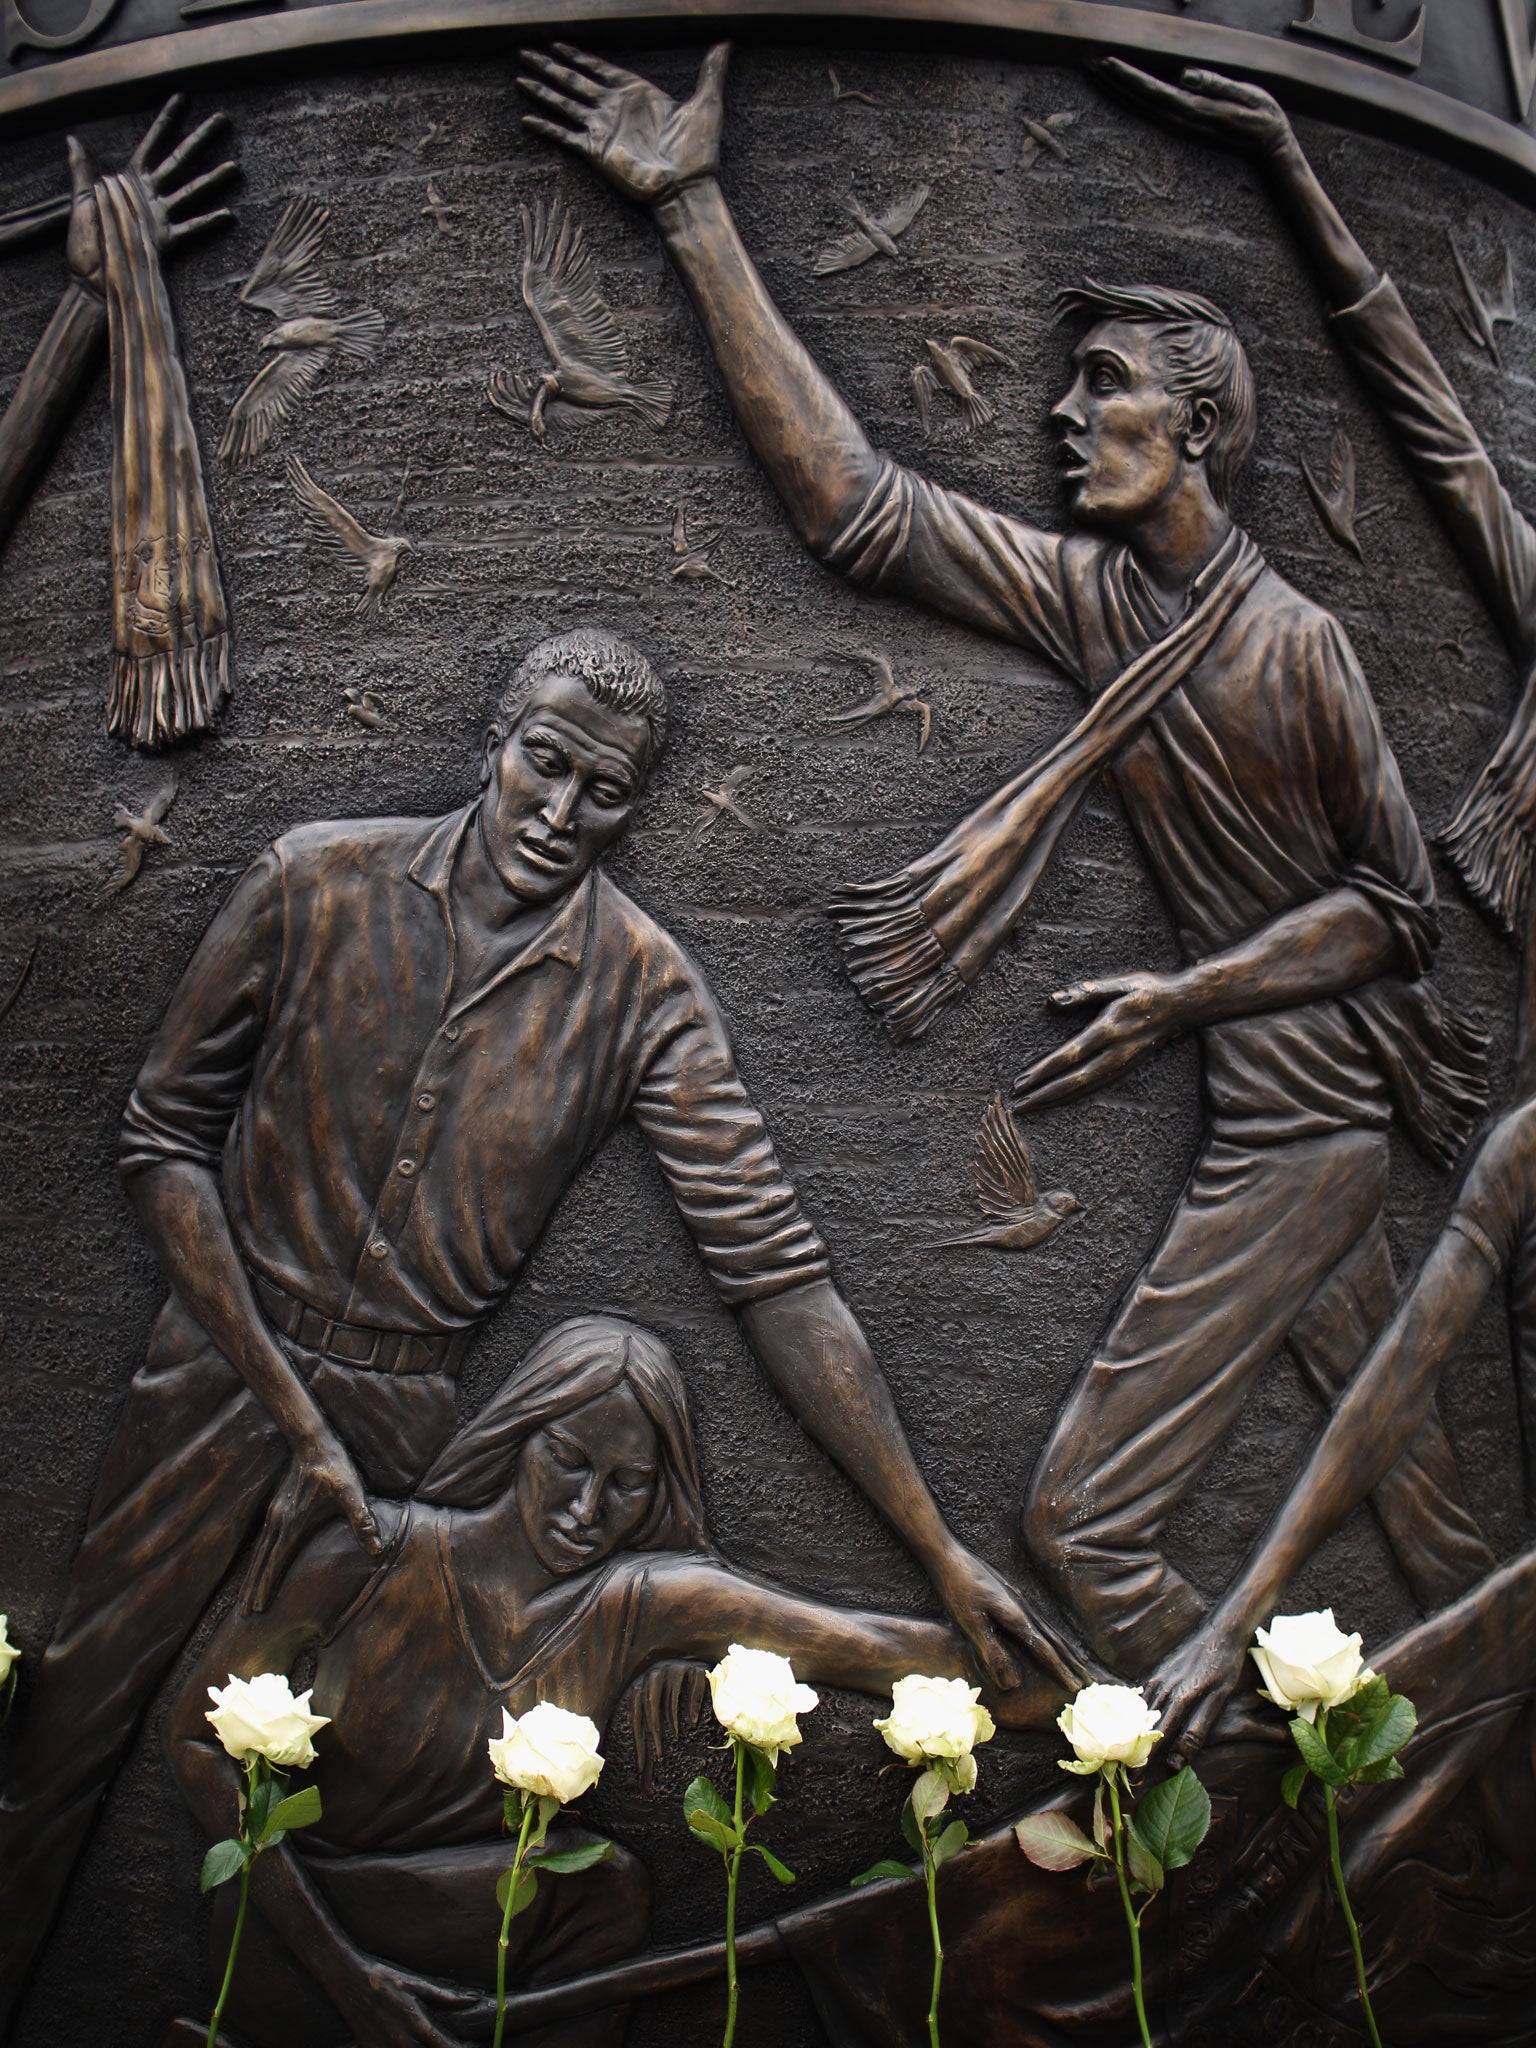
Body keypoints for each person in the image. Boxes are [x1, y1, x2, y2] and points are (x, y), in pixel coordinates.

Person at [517, 45, 1493, 1672]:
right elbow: (856, 506)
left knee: (1083, 1518)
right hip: (1284, 1130)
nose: (1062, 410)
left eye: (1102, 384)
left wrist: (1179, 1000)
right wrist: (694, 210)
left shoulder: (1299, 644)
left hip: (1305, 1139)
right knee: (1432, 1527)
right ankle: (1426, 1804)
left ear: (1193, 429)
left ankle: (1220, 1767)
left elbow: (1400, 912)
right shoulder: (1101, 602)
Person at [0, 627, 1073, 2032]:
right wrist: (286, 1402)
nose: (560, 813)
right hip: (216, 1370)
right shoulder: (311, 880)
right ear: (495, 740)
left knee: (339, 1795)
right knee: (69, 1729)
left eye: (605, 793)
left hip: (408, 1423)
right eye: (544, 764)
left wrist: (932, 1542)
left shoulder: (643, 988)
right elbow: (159, 1141)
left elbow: (776, 1273)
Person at [165, 1314, 1051, 2048]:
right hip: (295, 1929)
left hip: (472, 1931)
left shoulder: (637, 1602)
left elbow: (879, 1648)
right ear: (521, 1433)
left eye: (627, 1484)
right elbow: (197, 1744)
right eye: (570, 1462)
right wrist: (352, 1982)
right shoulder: (364, 1556)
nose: (587, 1511)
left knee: (602, 1887)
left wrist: (1098, 1701)